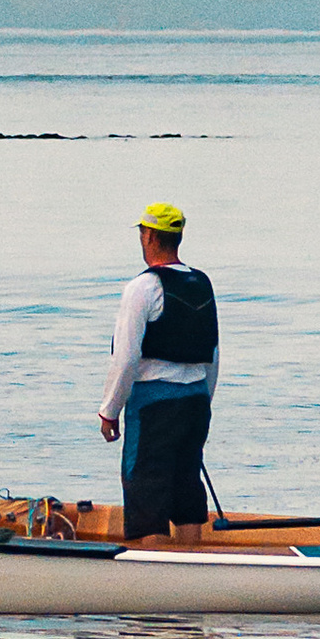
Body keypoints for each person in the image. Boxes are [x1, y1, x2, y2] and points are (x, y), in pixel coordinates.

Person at [97, 202, 218, 539]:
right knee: (186, 495)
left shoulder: (142, 288)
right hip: (195, 403)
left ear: (148, 236)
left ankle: (154, 581)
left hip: (153, 409)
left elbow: (126, 358)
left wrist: (109, 411)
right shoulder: (202, 283)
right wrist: (202, 401)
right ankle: (192, 573)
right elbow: (213, 354)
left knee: (146, 498)